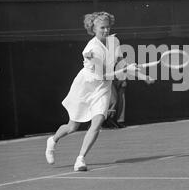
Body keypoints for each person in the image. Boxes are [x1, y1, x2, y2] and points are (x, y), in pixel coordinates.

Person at [45, 12, 141, 171]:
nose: (106, 30)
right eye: (102, 27)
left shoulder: (114, 40)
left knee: (97, 123)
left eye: (108, 27)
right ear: (93, 28)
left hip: (103, 89)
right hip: (86, 88)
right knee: (72, 127)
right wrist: (125, 70)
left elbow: (119, 61)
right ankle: (53, 141)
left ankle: (80, 159)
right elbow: (103, 74)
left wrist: (137, 72)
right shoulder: (90, 49)